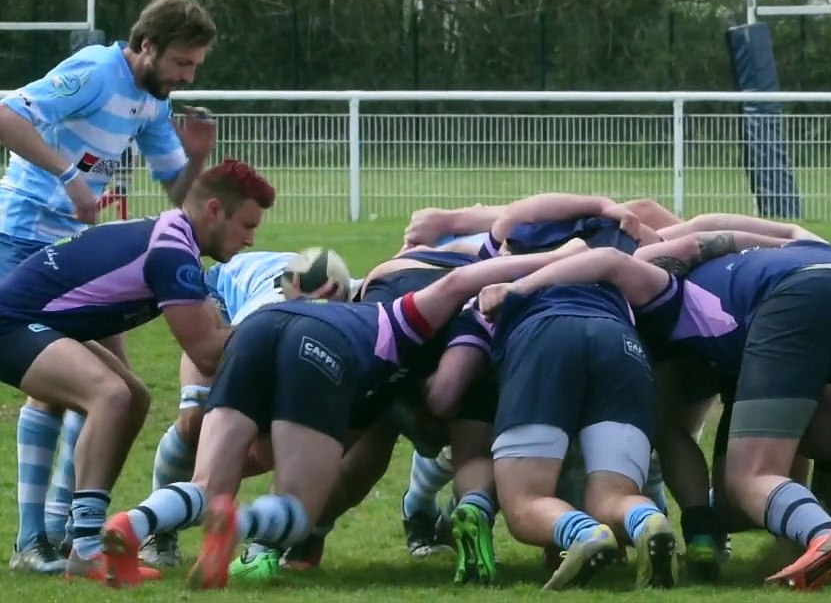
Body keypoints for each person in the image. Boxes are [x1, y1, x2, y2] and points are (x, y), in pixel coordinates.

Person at [96, 242, 586, 589]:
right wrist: (557, 258)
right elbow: (460, 281)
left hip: (256, 328)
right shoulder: (399, 320)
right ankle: (241, 526)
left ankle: (131, 526)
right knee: (298, 508)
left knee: (207, 485)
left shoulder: (348, 305)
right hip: (322, 349)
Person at [480, 237, 831, 591]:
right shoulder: (776, 251)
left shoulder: (671, 292)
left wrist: (518, 288)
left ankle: (825, 534)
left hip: (794, 304)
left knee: (750, 477)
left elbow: (611, 260)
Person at [0, 0, 220, 574]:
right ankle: (38, 538)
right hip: (22, 240)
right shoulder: (97, 71)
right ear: (146, 46)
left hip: (73, 252)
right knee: (73, 389)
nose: (187, 77)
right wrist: (70, 176)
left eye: (195, 66)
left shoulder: (148, 102)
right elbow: (6, 115)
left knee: (119, 394)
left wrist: (197, 159)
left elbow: (179, 194)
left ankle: (63, 533)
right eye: (180, 63)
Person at [0, 158, 274, 582]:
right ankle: (88, 546)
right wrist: (285, 328)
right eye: (247, 226)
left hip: (35, 320)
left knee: (134, 398)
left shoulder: (173, 237)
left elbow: (215, 332)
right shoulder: (172, 252)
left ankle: (74, 536)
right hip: (11, 324)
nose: (252, 240)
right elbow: (205, 351)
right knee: (110, 395)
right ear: (215, 211)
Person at [140, 249, 356, 567]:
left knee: (293, 445)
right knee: (196, 426)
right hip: (227, 314)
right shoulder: (259, 317)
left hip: (293, 327)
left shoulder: (354, 301)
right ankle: (158, 532)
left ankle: (268, 543)